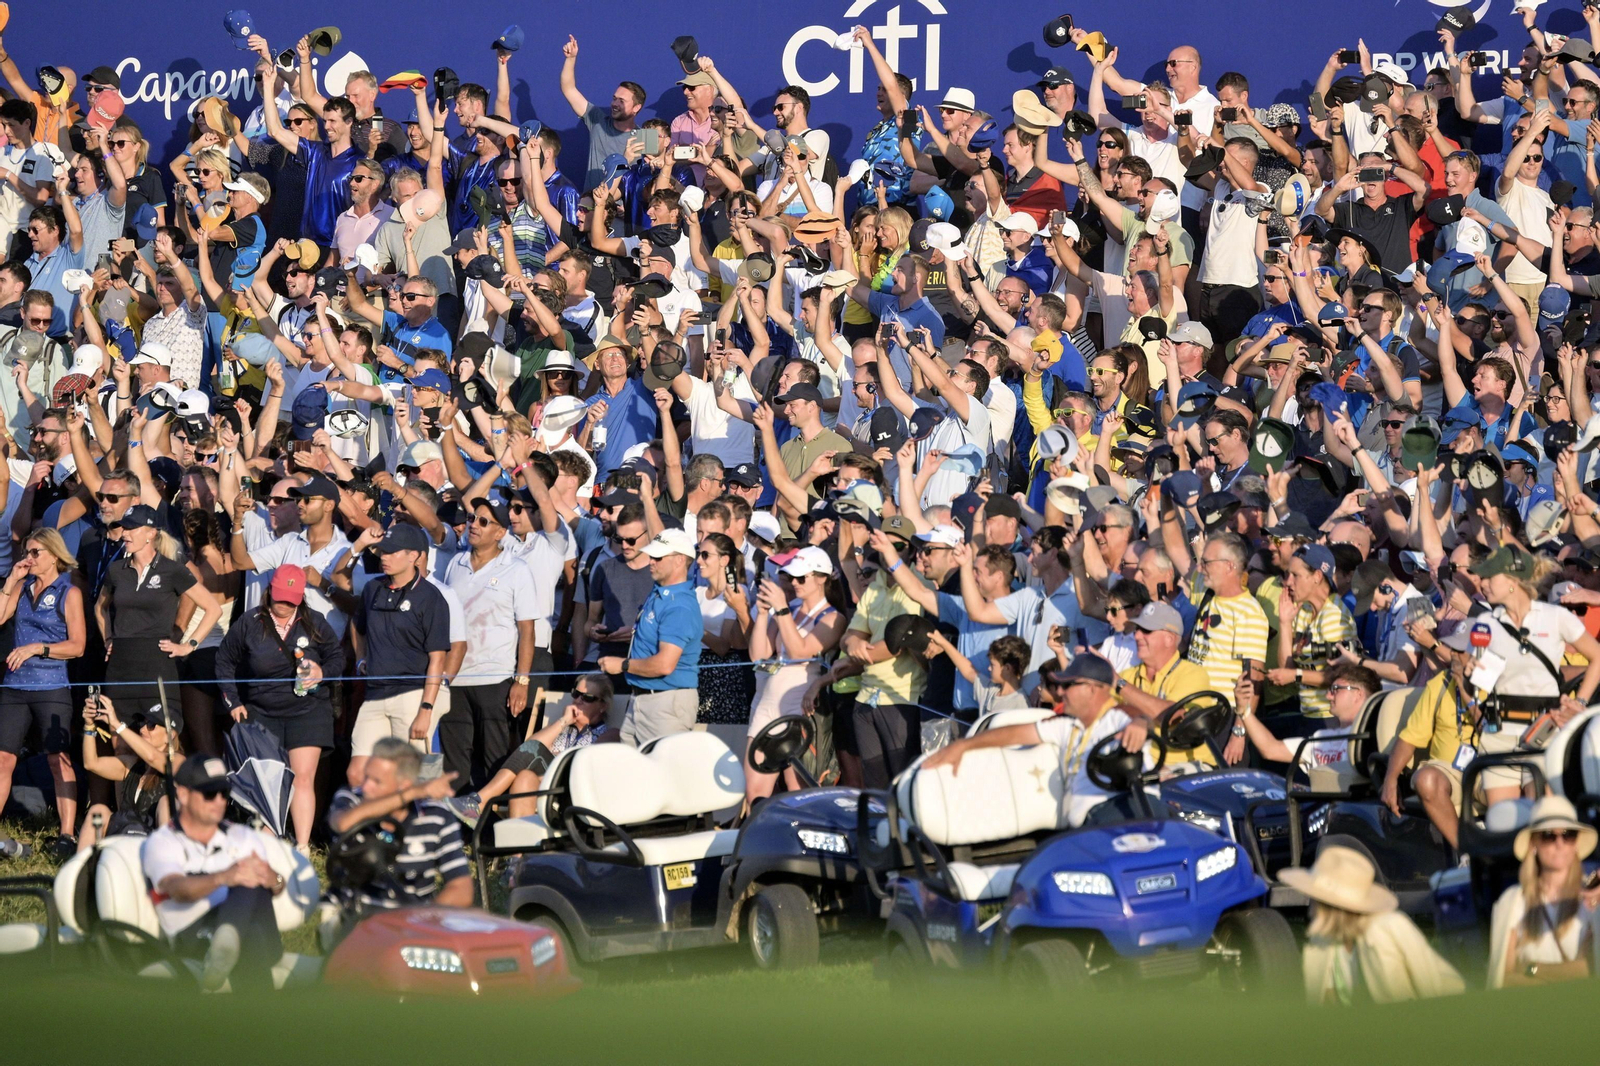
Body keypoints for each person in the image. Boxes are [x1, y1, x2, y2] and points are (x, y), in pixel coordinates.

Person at [923, 654, 1138, 827]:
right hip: (1087, 828)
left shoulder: (1123, 720)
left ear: (1092, 688)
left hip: (1120, 817)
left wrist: (1142, 722)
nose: (1060, 691)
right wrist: (963, 745)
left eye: (1068, 685)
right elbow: (1014, 733)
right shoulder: (1068, 726)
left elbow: (1144, 714)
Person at [214, 564, 343, 854]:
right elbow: (224, 661)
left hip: (308, 710)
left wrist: (321, 672)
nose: (284, 604)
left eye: (291, 600)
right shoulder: (249, 622)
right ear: (270, 590)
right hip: (262, 710)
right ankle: (271, 846)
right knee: (269, 782)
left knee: (302, 777)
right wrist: (233, 701)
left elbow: (336, 657)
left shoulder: (315, 622)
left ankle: (302, 847)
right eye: (280, 597)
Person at [141, 756, 287, 992]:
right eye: (210, 794)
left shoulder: (241, 836)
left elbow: (277, 887)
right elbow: (176, 889)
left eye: (224, 793)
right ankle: (228, 940)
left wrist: (272, 878)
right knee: (251, 932)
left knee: (249, 882)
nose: (219, 801)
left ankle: (227, 938)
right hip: (194, 935)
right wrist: (223, 877)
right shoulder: (163, 842)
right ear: (183, 795)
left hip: (251, 932)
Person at [96, 504, 222, 737]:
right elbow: (100, 608)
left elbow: (213, 609)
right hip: (120, 664)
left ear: (151, 533)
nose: (125, 534)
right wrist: (108, 639)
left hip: (157, 663)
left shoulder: (172, 570)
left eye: (132, 528)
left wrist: (189, 645)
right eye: (124, 528)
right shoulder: (116, 570)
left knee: (160, 738)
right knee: (119, 738)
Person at [1286, 845, 1464, 1005]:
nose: (1311, 904)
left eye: (1316, 898)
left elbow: (1430, 987)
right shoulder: (1323, 942)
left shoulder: (1389, 928)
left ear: (1327, 905)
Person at [0, 527, 85, 852]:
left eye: (36, 552)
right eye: (27, 552)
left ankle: (67, 834)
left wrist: (39, 648)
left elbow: (77, 646)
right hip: (15, 685)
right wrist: (10, 581)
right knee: (3, 758)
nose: (29, 558)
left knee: (57, 758)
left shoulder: (69, 592)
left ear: (54, 555)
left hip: (51, 684)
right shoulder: (22, 588)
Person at [348, 523, 452, 787]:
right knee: (357, 773)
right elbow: (357, 625)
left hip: (413, 694)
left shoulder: (432, 597)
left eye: (392, 552)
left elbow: (438, 658)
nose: (384, 557)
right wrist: (361, 658)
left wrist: (426, 710)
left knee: (415, 779)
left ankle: (429, 812)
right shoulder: (372, 588)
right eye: (383, 551)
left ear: (414, 556)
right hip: (375, 694)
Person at [446, 673, 620, 828]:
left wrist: (554, 757)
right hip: (549, 786)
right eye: (576, 694)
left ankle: (478, 801)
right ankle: (518, 852)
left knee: (534, 752)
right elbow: (528, 748)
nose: (578, 700)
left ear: (602, 706)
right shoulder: (561, 728)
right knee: (524, 777)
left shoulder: (610, 733)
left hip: (574, 790)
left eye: (587, 697)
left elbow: (587, 762)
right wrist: (563, 722)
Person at [745, 546, 845, 804]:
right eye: (791, 577)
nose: (794, 583)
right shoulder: (789, 609)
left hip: (799, 707)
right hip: (768, 703)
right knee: (754, 792)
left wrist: (781, 610)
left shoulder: (833, 617)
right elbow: (758, 655)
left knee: (798, 790)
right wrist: (764, 614)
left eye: (801, 578)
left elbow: (800, 651)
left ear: (821, 579)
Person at [599, 529, 703, 748]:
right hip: (643, 698)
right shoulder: (660, 592)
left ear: (679, 560)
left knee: (662, 768)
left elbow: (665, 664)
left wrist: (623, 665)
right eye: (651, 555)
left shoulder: (679, 605)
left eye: (658, 557)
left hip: (665, 704)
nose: (651, 561)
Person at [1487, 796, 1600, 989]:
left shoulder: (1593, 898)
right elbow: (1503, 980)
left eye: (1568, 834)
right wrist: (1568, 971)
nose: (1559, 843)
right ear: (1533, 844)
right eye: (1548, 835)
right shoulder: (1513, 901)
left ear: (1576, 844)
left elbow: (1589, 970)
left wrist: (1532, 968)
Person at [76, 696, 184, 852]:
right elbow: (91, 763)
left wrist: (116, 724)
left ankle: (167, 862)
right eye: (142, 723)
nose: (142, 729)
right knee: (97, 810)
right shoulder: (132, 764)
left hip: (154, 843)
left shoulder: (179, 762)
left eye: (151, 725)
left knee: (167, 802)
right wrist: (89, 725)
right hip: (124, 836)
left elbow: (153, 757)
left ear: (170, 735)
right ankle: (83, 865)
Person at [695, 531, 754, 731]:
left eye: (705, 555)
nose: (699, 560)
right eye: (699, 554)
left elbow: (723, 645)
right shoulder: (697, 593)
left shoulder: (736, 592)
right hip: (696, 673)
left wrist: (694, 628)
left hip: (724, 677)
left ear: (724, 560)